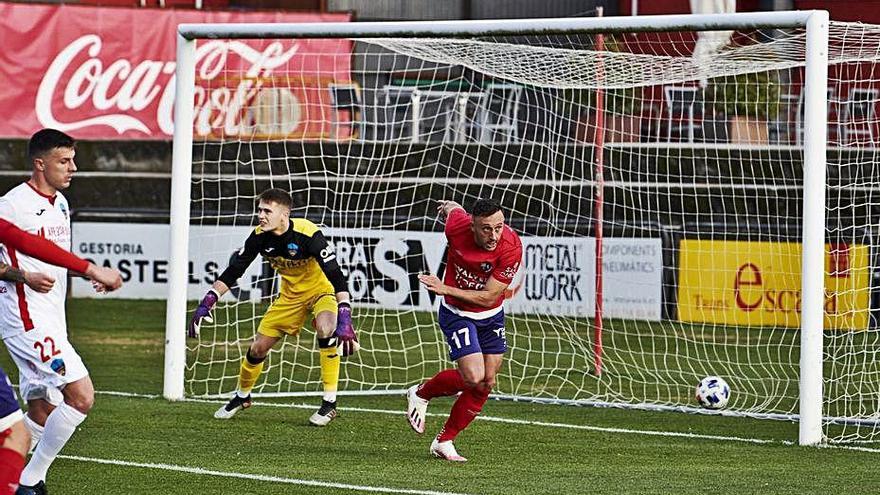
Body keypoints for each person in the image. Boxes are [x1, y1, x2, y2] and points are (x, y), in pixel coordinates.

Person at [0, 129, 124, 495]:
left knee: (40, 412)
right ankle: (30, 481)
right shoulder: (12, 205)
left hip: (53, 318)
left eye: (73, 160)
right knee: (81, 396)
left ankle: (14, 473)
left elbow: (51, 256)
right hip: (26, 321)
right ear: (40, 164)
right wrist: (21, 275)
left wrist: (86, 274)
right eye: (64, 161)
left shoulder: (61, 204)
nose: (74, 168)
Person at [189, 188, 358, 426]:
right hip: (289, 298)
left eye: (267, 210)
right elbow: (234, 271)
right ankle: (241, 396)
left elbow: (336, 275)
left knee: (326, 328)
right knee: (258, 348)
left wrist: (345, 314)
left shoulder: (308, 233)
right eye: (259, 210)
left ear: (284, 214)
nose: (261, 215)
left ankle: (329, 404)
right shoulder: (259, 236)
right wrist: (209, 300)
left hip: (321, 292)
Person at [407, 198, 522, 462]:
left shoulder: (511, 247)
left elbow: (487, 296)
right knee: (473, 377)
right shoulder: (456, 226)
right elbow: (453, 211)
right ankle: (421, 393)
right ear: (472, 225)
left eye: (499, 227)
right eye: (486, 229)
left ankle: (444, 441)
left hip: (491, 314)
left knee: (487, 382)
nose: (493, 235)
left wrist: (444, 287)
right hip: (457, 314)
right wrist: (449, 205)